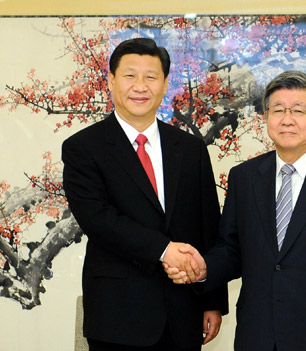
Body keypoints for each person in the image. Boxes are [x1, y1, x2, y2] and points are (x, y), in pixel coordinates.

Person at [165, 71, 306, 351]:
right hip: (258, 335)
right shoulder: (244, 177)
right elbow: (232, 250)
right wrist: (203, 268)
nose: (287, 119)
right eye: (278, 110)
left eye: (298, 110)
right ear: (266, 118)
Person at [62, 38, 228, 351]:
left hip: (184, 311)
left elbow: (208, 223)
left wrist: (213, 300)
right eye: (130, 75)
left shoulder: (190, 148)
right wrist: (165, 250)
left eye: (151, 77)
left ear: (165, 84)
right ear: (111, 80)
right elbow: (98, 220)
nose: (140, 86)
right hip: (117, 315)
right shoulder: (83, 148)